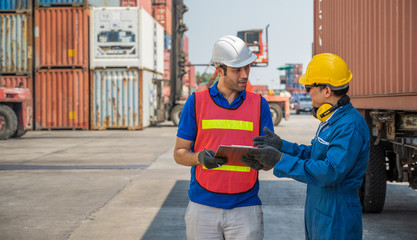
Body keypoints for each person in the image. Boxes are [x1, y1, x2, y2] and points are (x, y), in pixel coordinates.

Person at [241, 53, 371, 240]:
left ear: (327, 90)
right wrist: (282, 146)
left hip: (337, 215)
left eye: (309, 87)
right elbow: (314, 154)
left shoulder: (349, 126)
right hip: (320, 210)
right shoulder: (330, 119)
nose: (306, 91)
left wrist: (279, 160)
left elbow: (330, 172)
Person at [173, 35, 274, 240]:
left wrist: (267, 161)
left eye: (248, 67)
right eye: (238, 69)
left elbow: (267, 161)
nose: (245, 74)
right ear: (220, 70)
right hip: (203, 207)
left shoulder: (259, 104)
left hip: (246, 206)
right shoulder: (196, 103)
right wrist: (199, 158)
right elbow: (179, 153)